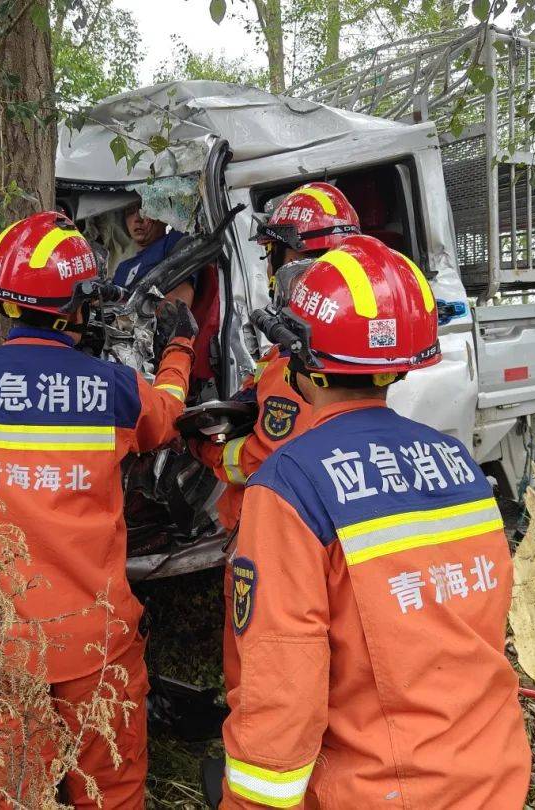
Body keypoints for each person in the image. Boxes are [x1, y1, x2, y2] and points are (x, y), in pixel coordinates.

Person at [0, 211, 198, 809]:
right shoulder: (115, 390)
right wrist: (178, 346)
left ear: (2, 305)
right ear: (78, 309)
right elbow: (172, 416)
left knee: (9, 791)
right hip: (96, 643)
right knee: (112, 790)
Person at [220, 235, 531, 808]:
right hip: (492, 773)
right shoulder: (454, 460)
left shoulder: (291, 486)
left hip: (385, 789)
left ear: (300, 358)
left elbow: (282, 697)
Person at [190, 181, 361, 690]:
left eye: (271, 253)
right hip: (339, 531)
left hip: (273, 536)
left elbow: (262, 458)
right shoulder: (339, 349)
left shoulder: (295, 367)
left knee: (258, 667)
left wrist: (207, 449)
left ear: (291, 260)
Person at [114, 201, 194, 306]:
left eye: (145, 210)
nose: (137, 219)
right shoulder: (123, 268)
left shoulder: (174, 240)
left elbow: (179, 297)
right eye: (130, 212)